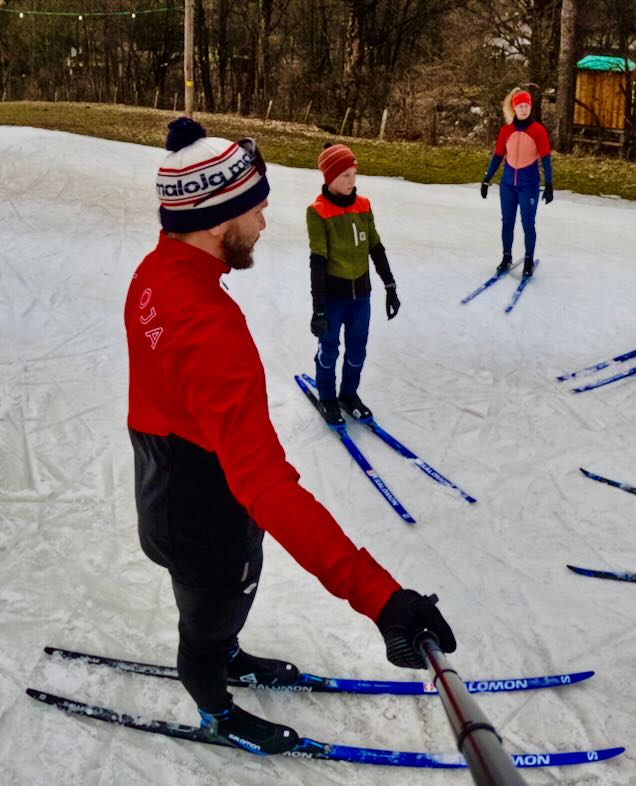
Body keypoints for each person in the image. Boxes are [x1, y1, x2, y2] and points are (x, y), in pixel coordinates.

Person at [125, 117, 455, 755]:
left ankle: (226, 652)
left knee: (217, 610)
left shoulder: (154, 274)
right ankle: (214, 704)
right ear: (220, 218)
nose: (264, 223)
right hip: (203, 511)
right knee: (209, 616)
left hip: (175, 482)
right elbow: (268, 487)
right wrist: (381, 598)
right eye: (256, 210)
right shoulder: (208, 328)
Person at [307, 142, 400, 426]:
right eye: (344, 176)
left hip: (361, 295)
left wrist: (390, 286)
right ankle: (326, 397)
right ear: (329, 177)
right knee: (330, 347)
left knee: (358, 348)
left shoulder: (364, 205)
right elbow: (318, 262)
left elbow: (376, 247)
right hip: (334, 297)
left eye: (353, 174)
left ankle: (348, 394)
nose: (352, 181)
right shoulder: (318, 211)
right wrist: (319, 308)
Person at [480, 87, 553, 279]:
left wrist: (550, 184)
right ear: (514, 107)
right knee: (507, 223)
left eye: (526, 106)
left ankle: (528, 260)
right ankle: (506, 257)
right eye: (520, 106)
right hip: (508, 185)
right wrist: (487, 179)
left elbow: (546, 158)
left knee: (528, 224)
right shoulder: (506, 131)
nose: (523, 109)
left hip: (528, 186)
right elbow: (497, 156)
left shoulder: (538, 131)